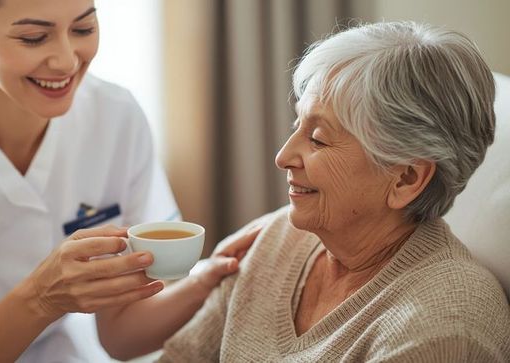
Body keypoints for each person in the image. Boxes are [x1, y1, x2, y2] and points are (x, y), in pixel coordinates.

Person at [0, 1, 257, 362]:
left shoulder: (116, 115)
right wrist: (42, 299)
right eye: (34, 38)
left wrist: (207, 282)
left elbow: (120, 336)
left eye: (83, 28)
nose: (66, 60)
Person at [158, 21, 510, 362]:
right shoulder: (278, 238)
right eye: (298, 124)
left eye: (318, 139)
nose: (282, 157)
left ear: (405, 179)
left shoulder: (442, 330)